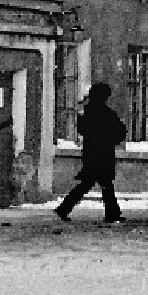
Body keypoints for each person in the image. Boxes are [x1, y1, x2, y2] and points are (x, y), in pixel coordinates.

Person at [54, 83, 128, 223]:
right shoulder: (107, 114)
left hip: (91, 152)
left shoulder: (87, 112)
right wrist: (110, 140)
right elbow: (120, 131)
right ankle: (112, 214)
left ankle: (64, 208)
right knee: (103, 184)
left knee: (89, 183)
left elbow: (82, 130)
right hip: (103, 153)